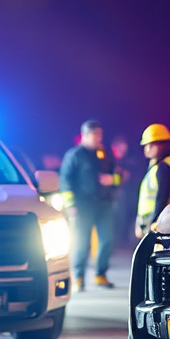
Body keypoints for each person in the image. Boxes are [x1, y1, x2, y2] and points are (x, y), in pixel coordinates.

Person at [59, 120, 120, 290]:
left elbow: (118, 175)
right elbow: (65, 181)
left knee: (106, 240)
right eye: (95, 134)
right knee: (81, 242)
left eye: (100, 134)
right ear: (85, 135)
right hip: (83, 205)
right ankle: (78, 277)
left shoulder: (105, 153)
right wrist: (70, 205)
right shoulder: (74, 155)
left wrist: (112, 180)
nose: (98, 138)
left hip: (104, 203)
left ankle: (100, 274)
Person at [136, 124, 170, 239]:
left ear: (159, 144)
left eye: (149, 145)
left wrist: (154, 222)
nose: (146, 149)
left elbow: (162, 196)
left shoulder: (164, 166)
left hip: (163, 219)